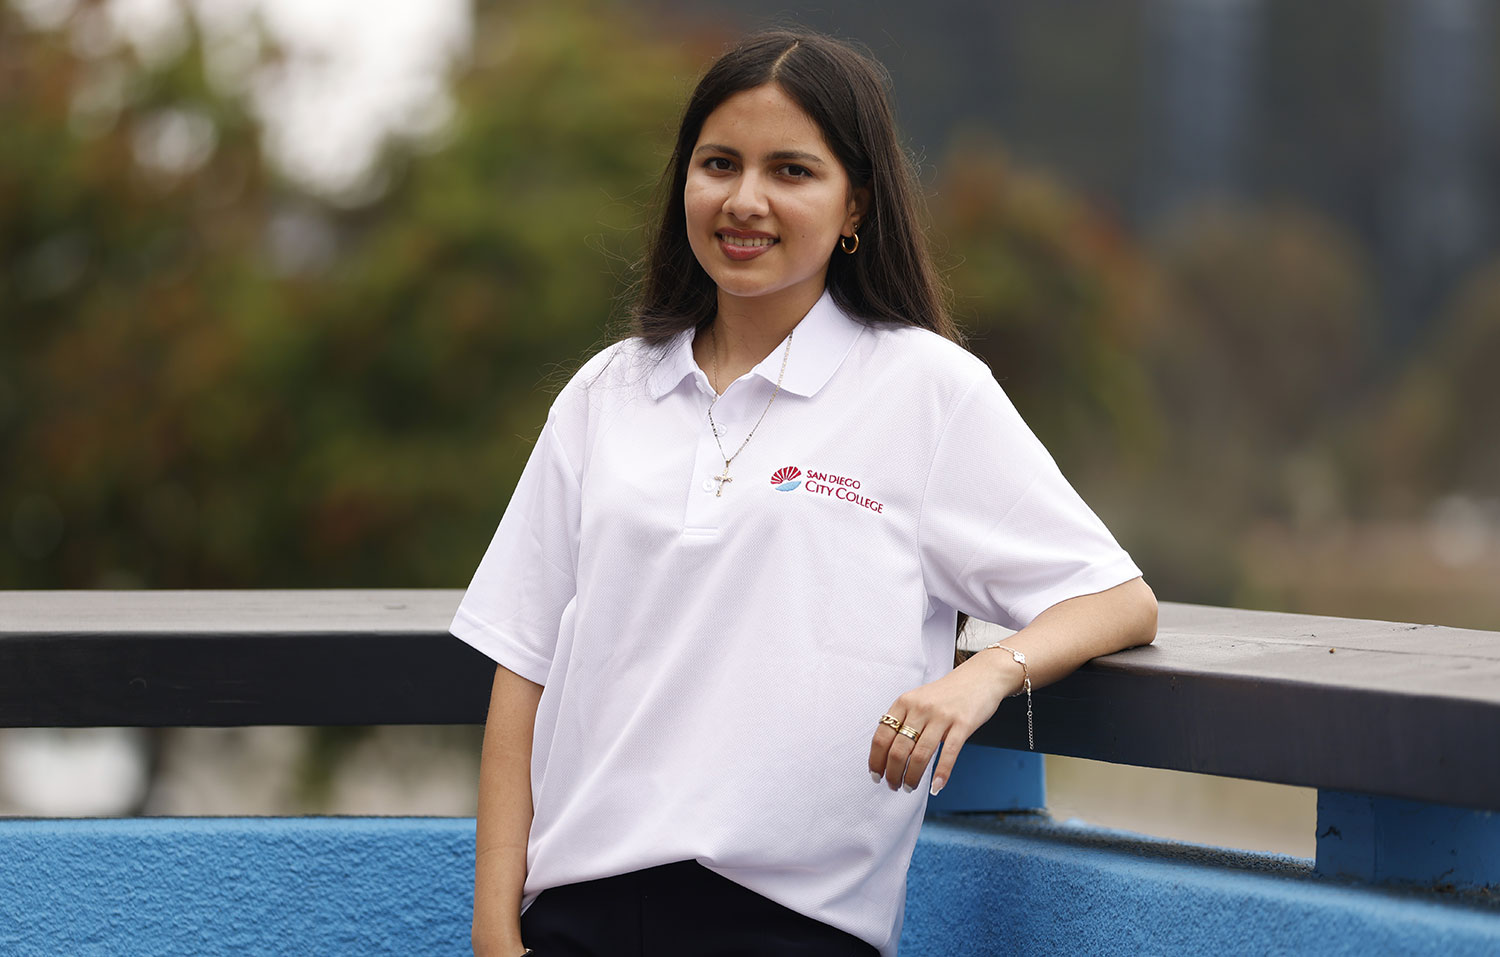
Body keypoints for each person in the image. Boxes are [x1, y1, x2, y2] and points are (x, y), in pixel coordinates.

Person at [453, 28, 1158, 957]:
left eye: (791, 171)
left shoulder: (925, 390)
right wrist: (495, 929)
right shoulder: (607, 393)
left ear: (854, 203)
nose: (745, 201)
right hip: (581, 914)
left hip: (796, 925)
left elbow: (1116, 597)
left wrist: (983, 674)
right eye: (719, 164)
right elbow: (523, 666)